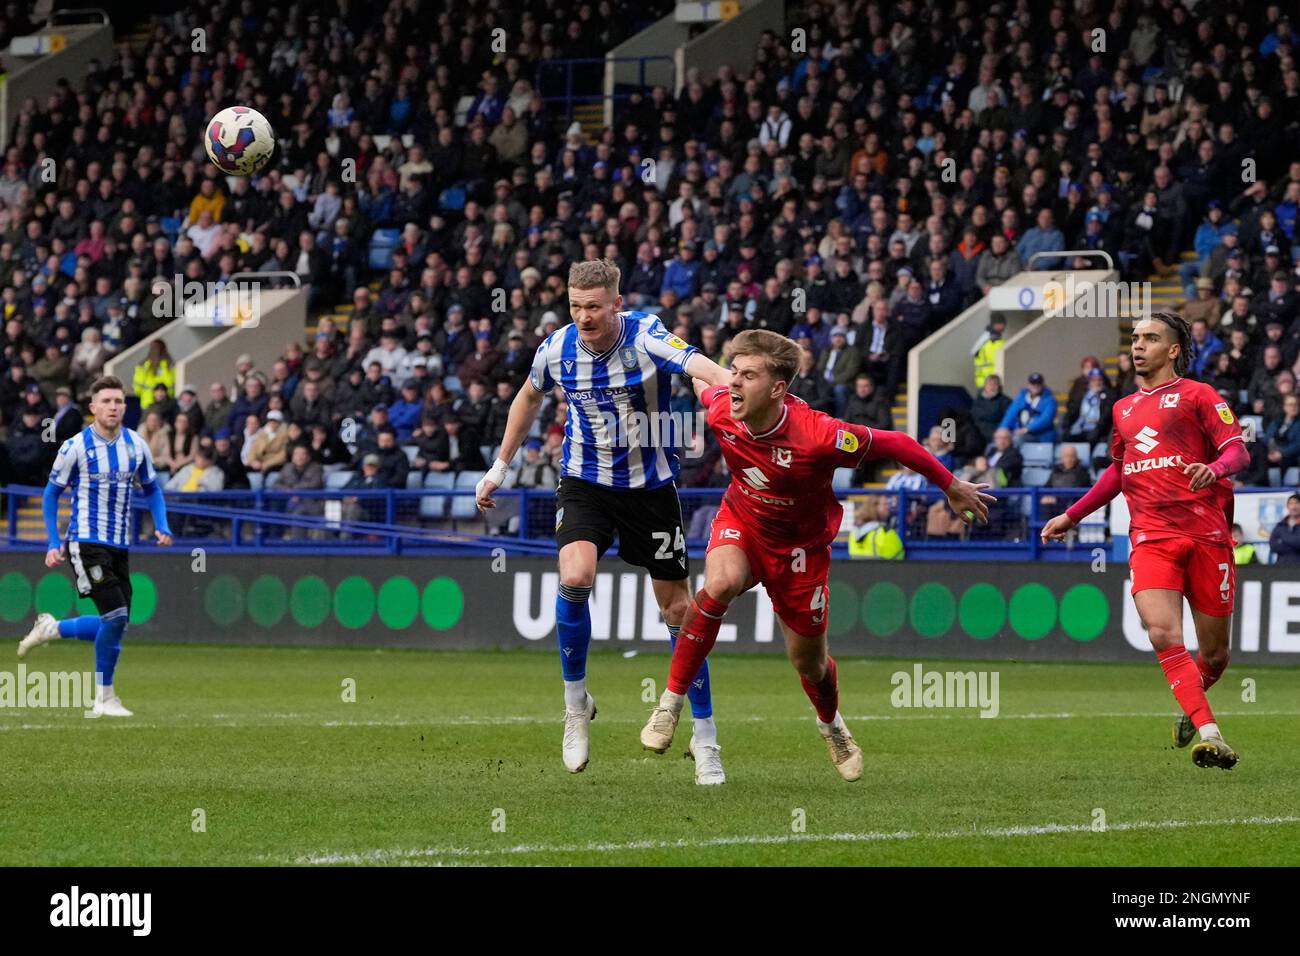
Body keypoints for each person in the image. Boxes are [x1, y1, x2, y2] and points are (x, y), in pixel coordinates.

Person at [638, 330, 992, 781]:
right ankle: (669, 705)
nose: (735, 383)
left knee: (811, 663)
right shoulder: (723, 407)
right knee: (719, 584)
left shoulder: (820, 436)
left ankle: (832, 725)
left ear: (778, 388)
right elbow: (698, 377)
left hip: (799, 551)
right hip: (742, 523)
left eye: (748, 375)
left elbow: (899, 445)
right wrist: (661, 338)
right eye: (734, 372)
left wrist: (952, 486)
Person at [474, 259, 731, 782]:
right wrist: (500, 467)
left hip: (650, 490)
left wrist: (734, 384)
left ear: (616, 302)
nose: (584, 316)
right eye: (575, 306)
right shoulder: (557, 348)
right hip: (585, 483)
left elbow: (698, 364)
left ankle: (705, 739)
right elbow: (527, 395)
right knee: (575, 577)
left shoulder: (646, 335)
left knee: (679, 612)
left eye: (594, 306)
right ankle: (575, 708)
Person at [1042, 312, 1249, 770]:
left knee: (1215, 653)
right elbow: (1119, 470)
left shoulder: (1200, 395)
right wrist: (1073, 515)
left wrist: (1212, 469)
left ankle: (1190, 704)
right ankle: (1211, 732)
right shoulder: (1122, 409)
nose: (1138, 345)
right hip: (1152, 536)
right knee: (1161, 633)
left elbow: (1238, 449)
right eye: (1135, 338)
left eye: (1150, 338)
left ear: (1173, 349)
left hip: (1208, 536)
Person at [17, 376, 174, 717]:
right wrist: (53, 541)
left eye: (119, 401)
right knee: (116, 617)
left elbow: (152, 489)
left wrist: (162, 524)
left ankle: (53, 628)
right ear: (93, 408)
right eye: (107, 401)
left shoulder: (136, 445)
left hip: (119, 544)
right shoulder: (74, 446)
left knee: (116, 622)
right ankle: (104, 698)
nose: (114, 407)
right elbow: (50, 494)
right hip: (85, 542)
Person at [999, 372, 1058, 444]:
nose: (1035, 386)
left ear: (1043, 385)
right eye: (1033, 384)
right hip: (1020, 431)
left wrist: (1028, 429)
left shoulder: (1049, 399)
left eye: (1038, 384)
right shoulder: (1021, 397)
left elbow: (1046, 419)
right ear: (1028, 385)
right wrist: (1002, 429)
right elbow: (1011, 414)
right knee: (998, 438)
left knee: (1016, 439)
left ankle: (1011, 455)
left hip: (1040, 435)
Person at [1268, 494, 1300, 565]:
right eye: (1291, 503)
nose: (1294, 507)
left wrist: (1283, 539)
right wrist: (1295, 547)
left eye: (1297, 503)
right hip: (1281, 567)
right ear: (1287, 506)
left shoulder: (1280, 527)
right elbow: (1273, 546)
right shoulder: (1280, 525)